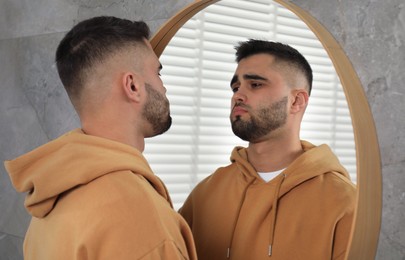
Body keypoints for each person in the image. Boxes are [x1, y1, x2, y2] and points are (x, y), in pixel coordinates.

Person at [5, 16, 196, 260]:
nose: (163, 88)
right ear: (133, 86)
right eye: (158, 73)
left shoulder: (46, 204)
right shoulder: (137, 216)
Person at [179, 39, 356, 260]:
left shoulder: (343, 202)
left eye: (255, 84)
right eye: (236, 87)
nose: (238, 95)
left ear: (296, 101)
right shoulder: (205, 194)